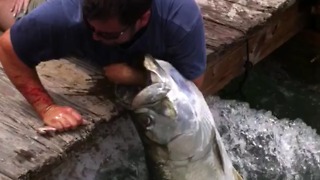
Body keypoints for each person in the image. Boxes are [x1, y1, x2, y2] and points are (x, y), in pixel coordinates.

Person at [0, 0, 207, 132]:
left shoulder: (180, 19)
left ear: (142, 19)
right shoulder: (67, 13)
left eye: (107, 34)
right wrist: (47, 108)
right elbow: (8, 48)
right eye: (91, 27)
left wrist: (137, 76)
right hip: (57, 11)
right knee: (12, 12)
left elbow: (193, 84)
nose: (94, 36)